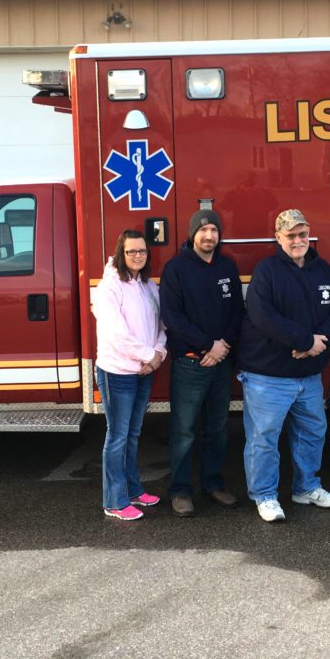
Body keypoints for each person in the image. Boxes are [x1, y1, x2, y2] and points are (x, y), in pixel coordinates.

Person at [238, 209, 330, 522]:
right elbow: (262, 315)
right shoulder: (267, 271)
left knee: (312, 432)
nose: (298, 240)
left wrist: (322, 341)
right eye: (291, 235)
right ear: (278, 238)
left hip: (308, 374)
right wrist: (304, 341)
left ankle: (306, 488)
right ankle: (265, 496)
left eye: (302, 234)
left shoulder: (322, 269)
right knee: (263, 439)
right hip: (268, 374)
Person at [159, 209, 244, 518]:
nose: (209, 236)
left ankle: (213, 484)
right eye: (203, 230)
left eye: (214, 231)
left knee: (218, 429)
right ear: (193, 234)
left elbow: (237, 311)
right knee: (184, 430)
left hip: (221, 362)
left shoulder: (227, 266)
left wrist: (223, 346)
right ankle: (180, 490)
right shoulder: (176, 269)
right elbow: (173, 318)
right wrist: (208, 345)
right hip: (190, 364)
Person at [92, 229, 167, 521]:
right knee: (118, 436)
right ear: (121, 254)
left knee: (133, 435)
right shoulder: (109, 288)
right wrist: (149, 356)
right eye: (131, 251)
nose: (137, 256)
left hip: (144, 372)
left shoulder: (148, 285)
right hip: (117, 373)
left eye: (142, 251)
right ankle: (114, 501)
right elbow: (116, 335)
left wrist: (158, 354)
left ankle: (133, 491)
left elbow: (161, 325)